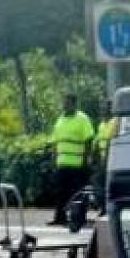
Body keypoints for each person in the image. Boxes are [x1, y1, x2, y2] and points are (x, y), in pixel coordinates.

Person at [48, 93, 94, 225]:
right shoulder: (60, 120)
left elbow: (88, 140)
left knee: (78, 194)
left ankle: (79, 218)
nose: (64, 105)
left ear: (74, 104)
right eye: (64, 102)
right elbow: (56, 142)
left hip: (77, 164)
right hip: (62, 164)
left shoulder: (82, 119)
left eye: (67, 103)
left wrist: (85, 160)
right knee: (60, 193)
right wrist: (54, 159)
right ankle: (60, 218)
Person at [91, 101, 119, 209]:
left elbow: (110, 142)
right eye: (102, 109)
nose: (103, 112)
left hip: (111, 160)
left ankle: (105, 207)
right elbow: (98, 142)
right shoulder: (101, 125)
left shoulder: (115, 122)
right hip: (102, 161)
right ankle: (102, 206)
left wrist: (106, 159)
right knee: (97, 182)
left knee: (104, 184)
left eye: (105, 109)